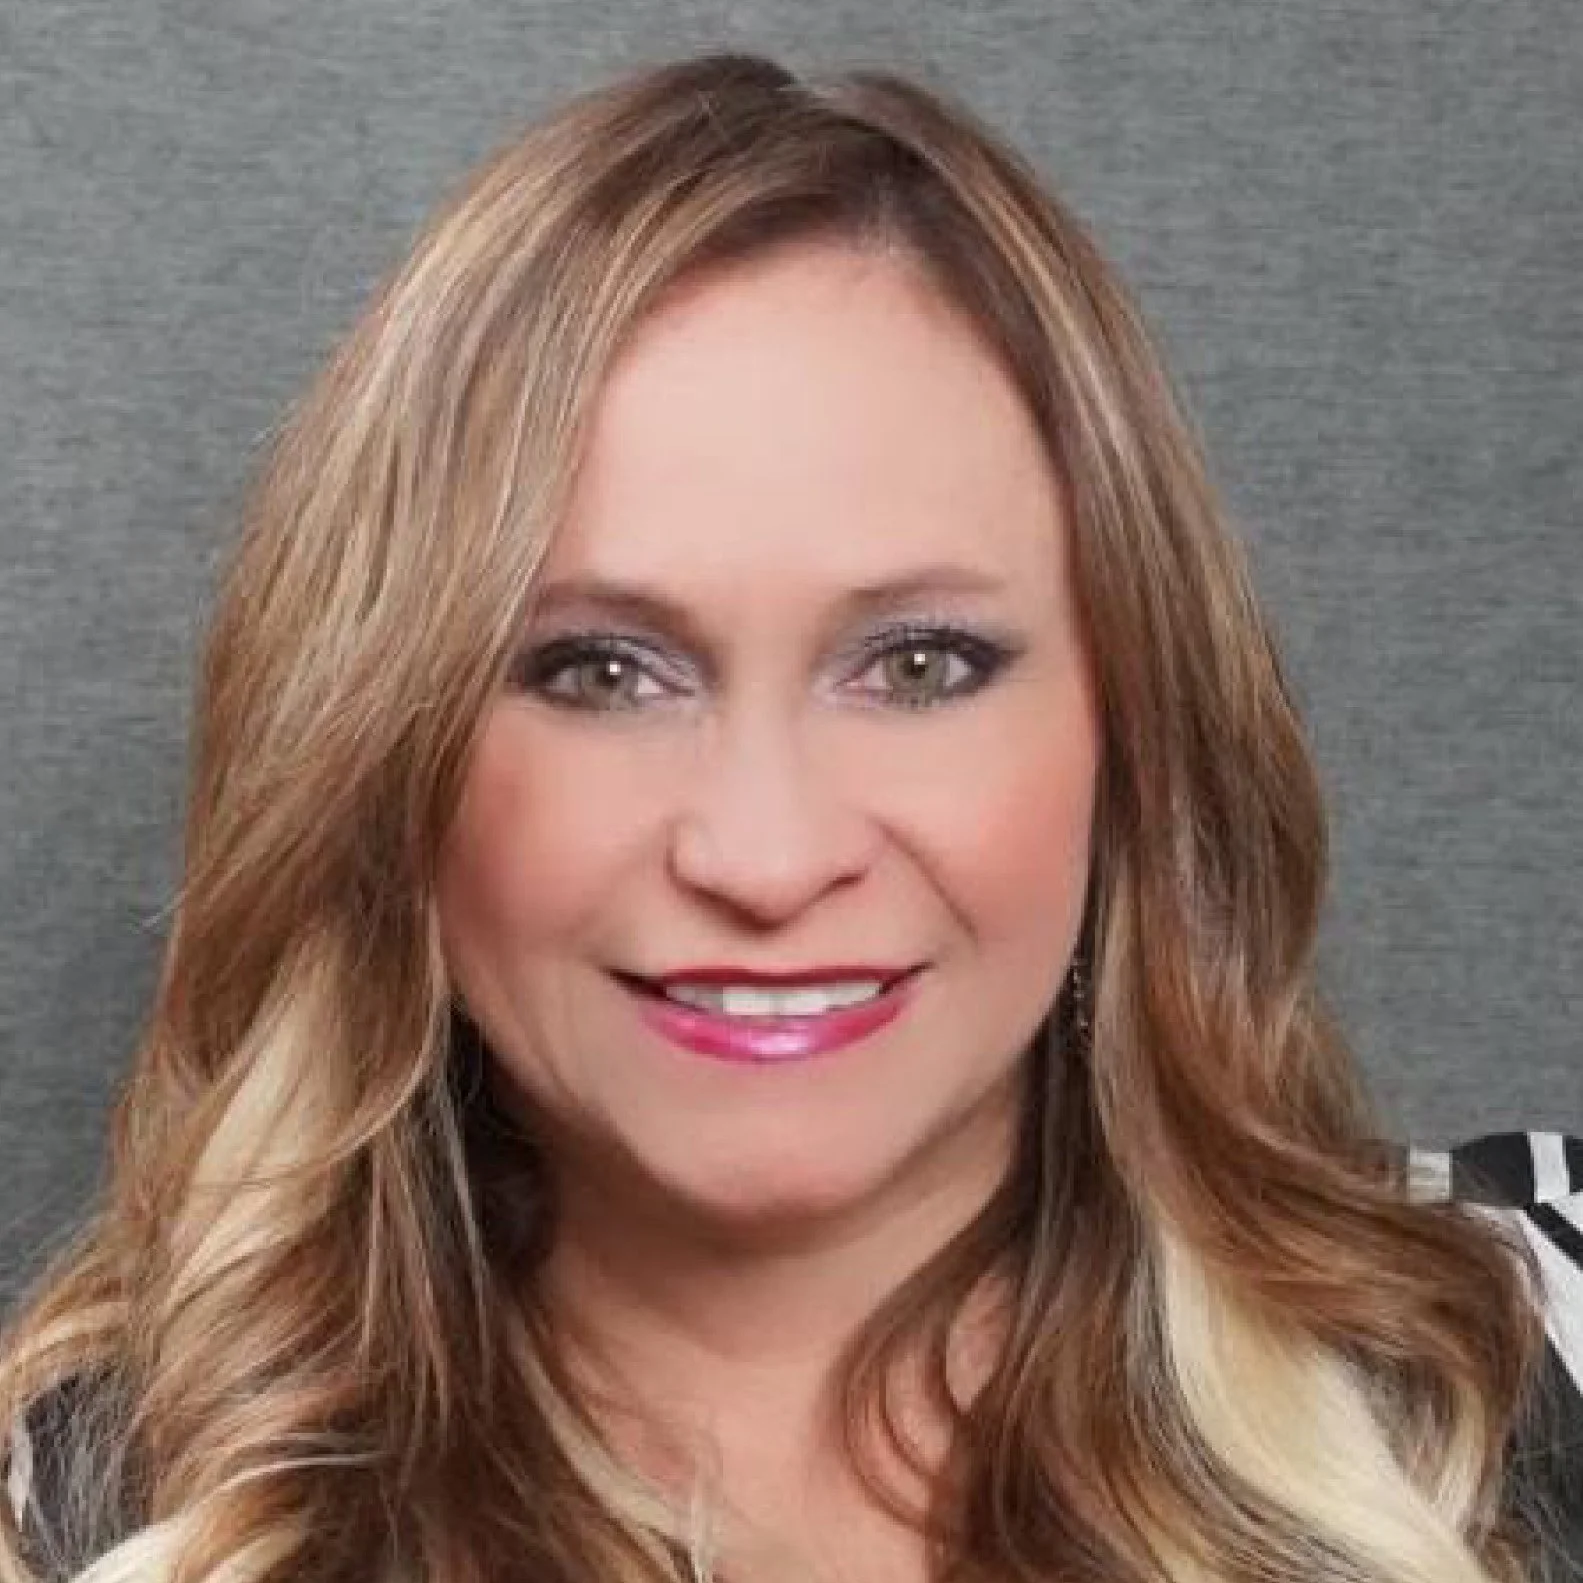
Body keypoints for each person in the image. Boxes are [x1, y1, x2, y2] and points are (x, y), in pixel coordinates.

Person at [0, 49, 1577, 1583]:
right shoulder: (83, 1512)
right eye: (599, 670)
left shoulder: (1534, 1325)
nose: (764, 857)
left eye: (919, 663)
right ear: (386, 757)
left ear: (1133, 736)